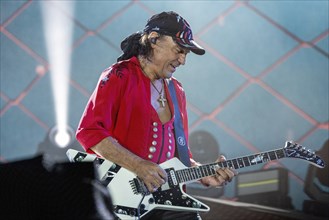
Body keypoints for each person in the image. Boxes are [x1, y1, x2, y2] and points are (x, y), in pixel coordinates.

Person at [76, 11, 237, 220]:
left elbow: (180, 156)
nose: (182, 60)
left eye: (185, 54)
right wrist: (138, 165)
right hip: (123, 202)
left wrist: (202, 173)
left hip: (168, 203)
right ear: (153, 39)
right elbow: (89, 132)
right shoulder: (119, 75)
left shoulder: (177, 91)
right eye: (179, 50)